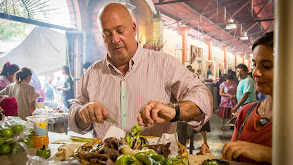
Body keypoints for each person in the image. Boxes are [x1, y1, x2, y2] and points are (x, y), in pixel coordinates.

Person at [69, 3, 212, 154]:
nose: (115, 39)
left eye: (120, 31)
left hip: (156, 160)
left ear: (133, 28)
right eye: (107, 34)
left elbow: (203, 97)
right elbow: (75, 115)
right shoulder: (92, 74)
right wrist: (81, 114)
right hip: (106, 160)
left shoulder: (165, 65)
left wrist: (174, 110)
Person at [221, 31, 273, 164]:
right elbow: (232, 158)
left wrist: (268, 154)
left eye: (267, 66)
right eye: (254, 65)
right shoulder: (246, 112)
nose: (255, 72)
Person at [186, 65, 211, 154]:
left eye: (189, 70)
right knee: (187, 126)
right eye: (187, 70)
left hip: (197, 104)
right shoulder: (184, 80)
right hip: (188, 105)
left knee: (203, 123)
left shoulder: (196, 79)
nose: (188, 71)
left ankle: (205, 143)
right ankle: (189, 143)